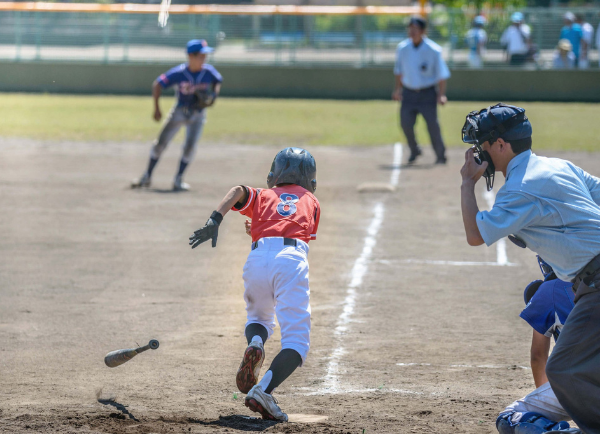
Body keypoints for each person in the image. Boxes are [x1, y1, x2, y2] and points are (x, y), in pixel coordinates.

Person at [459, 102, 600, 433]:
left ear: (501, 145)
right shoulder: (557, 166)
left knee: (563, 368)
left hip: (596, 282)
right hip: (590, 283)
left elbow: (475, 235)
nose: (478, 153)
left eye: (481, 145)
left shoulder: (520, 188)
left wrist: (467, 183)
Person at [188, 147, 320, 421]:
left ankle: (256, 342)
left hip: (257, 258)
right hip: (290, 258)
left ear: (274, 175)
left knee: (259, 319)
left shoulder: (263, 194)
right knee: (296, 341)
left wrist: (215, 219)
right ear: (311, 180)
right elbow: (293, 228)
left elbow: (238, 190)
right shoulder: (311, 201)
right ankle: (263, 391)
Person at [496, 257, 574, 434]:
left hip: (581, 385)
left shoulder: (551, 289)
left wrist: (546, 400)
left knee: (509, 417)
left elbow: (538, 357)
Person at [131, 39, 222, 191]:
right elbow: (157, 84)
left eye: (205, 56)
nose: (204, 58)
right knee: (160, 144)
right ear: (191, 56)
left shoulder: (208, 71)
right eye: (201, 55)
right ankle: (147, 176)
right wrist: (157, 108)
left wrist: (214, 94)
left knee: (190, 147)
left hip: (198, 114)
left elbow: (218, 81)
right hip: (180, 111)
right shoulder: (179, 73)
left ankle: (178, 179)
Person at [392, 15, 450, 165]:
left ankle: (440, 155)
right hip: (408, 93)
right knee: (405, 123)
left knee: (432, 125)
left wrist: (441, 94)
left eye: (416, 29)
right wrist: (397, 90)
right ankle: (414, 150)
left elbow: (441, 75)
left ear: (423, 31)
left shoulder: (433, 50)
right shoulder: (402, 48)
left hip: (427, 93)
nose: (412, 31)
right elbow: (399, 71)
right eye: (410, 28)